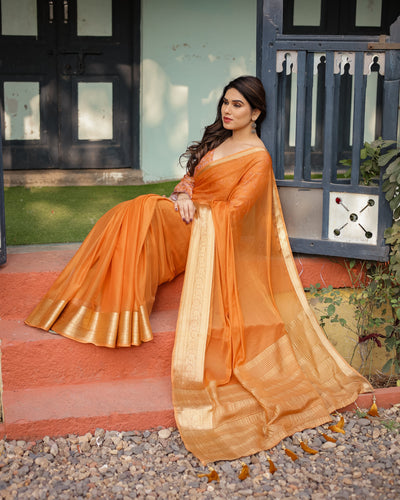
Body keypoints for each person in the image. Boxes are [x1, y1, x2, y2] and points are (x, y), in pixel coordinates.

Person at [26, 75, 372, 465]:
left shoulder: (257, 158)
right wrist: (184, 197)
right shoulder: (218, 142)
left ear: (256, 112)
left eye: (238, 104)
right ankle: (109, 311)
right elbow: (185, 183)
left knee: (139, 211)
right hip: (186, 219)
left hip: (206, 235)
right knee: (131, 213)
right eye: (225, 102)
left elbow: (238, 213)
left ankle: (112, 313)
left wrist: (198, 210)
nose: (228, 110)